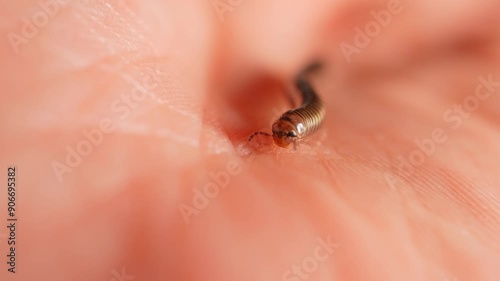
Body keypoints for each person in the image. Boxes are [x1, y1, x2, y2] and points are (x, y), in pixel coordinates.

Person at [2, 0, 500, 280]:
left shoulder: (305, 117)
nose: (282, 136)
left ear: (296, 126)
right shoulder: (285, 121)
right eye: (284, 130)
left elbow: (308, 111)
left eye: (288, 131)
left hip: (308, 96)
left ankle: (311, 74)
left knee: (307, 85)